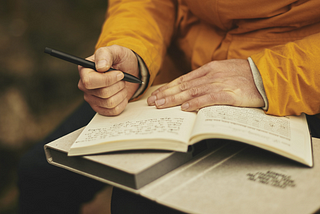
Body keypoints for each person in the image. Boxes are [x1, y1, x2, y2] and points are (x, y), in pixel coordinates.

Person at [18, 0, 320, 213]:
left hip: (297, 84)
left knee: (139, 204)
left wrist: (265, 77)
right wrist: (134, 52)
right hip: (176, 72)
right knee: (41, 174)